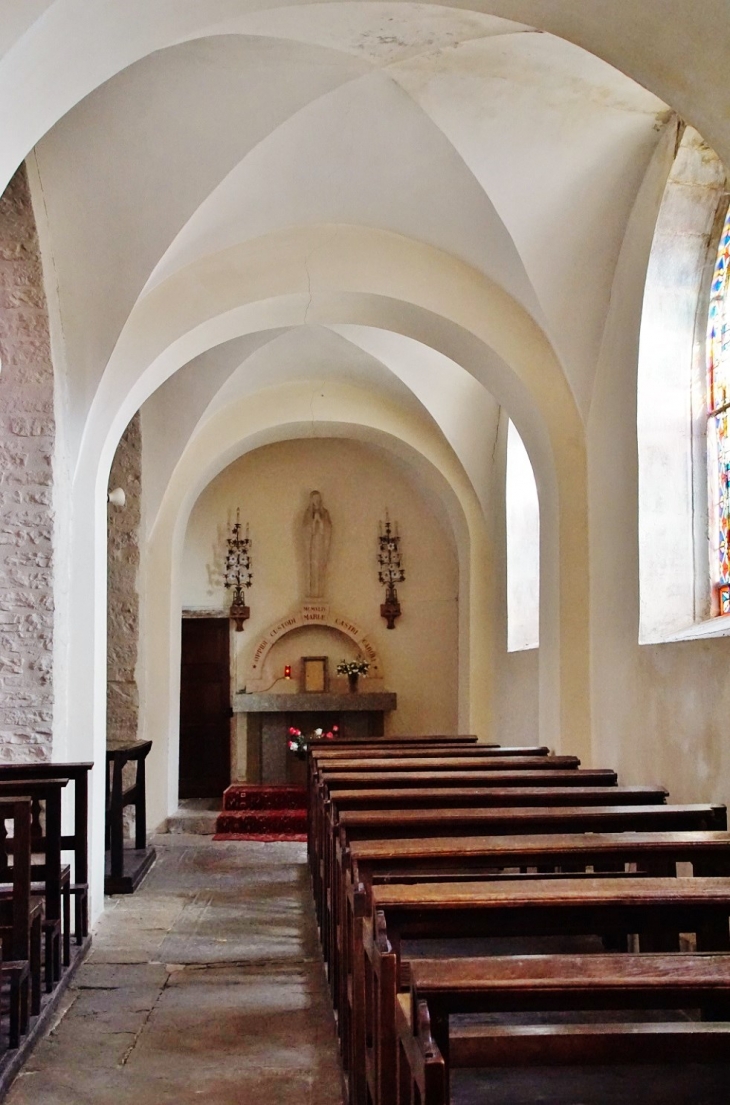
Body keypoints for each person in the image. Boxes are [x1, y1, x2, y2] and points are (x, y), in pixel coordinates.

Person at [303, 490, 332, 597]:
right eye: (314, 499)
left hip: (321, 545)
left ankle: (320, 592)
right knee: (313, 568)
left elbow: (328, 529)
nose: (317, 501)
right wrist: (313, 523)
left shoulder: (325, 513)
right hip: (312, 546)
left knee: (321, 567)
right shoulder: (307, 514)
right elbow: (305, 530)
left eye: (318, 498)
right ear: (311, 500)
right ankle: (312, 592)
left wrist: (320, 522)